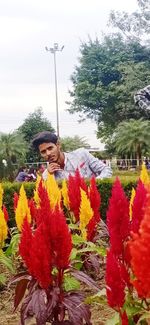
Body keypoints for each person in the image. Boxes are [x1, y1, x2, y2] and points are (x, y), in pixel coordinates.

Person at [31, 131, 112, 180]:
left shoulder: (81, 154)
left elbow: (106, 170)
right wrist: (49, 175)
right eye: (43, 152)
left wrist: (94, 184)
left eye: (50, 148)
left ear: (58, 145)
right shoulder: (47, 174)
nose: (48, 153)